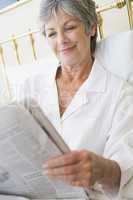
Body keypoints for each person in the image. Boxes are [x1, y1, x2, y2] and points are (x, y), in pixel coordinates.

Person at [21, 0, 133, 199]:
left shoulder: (120, 94)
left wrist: (100, 169)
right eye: (52, 33)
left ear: (91, 27)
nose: (61, 40)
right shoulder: (30, 88)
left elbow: (125, 173)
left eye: (70, 27)